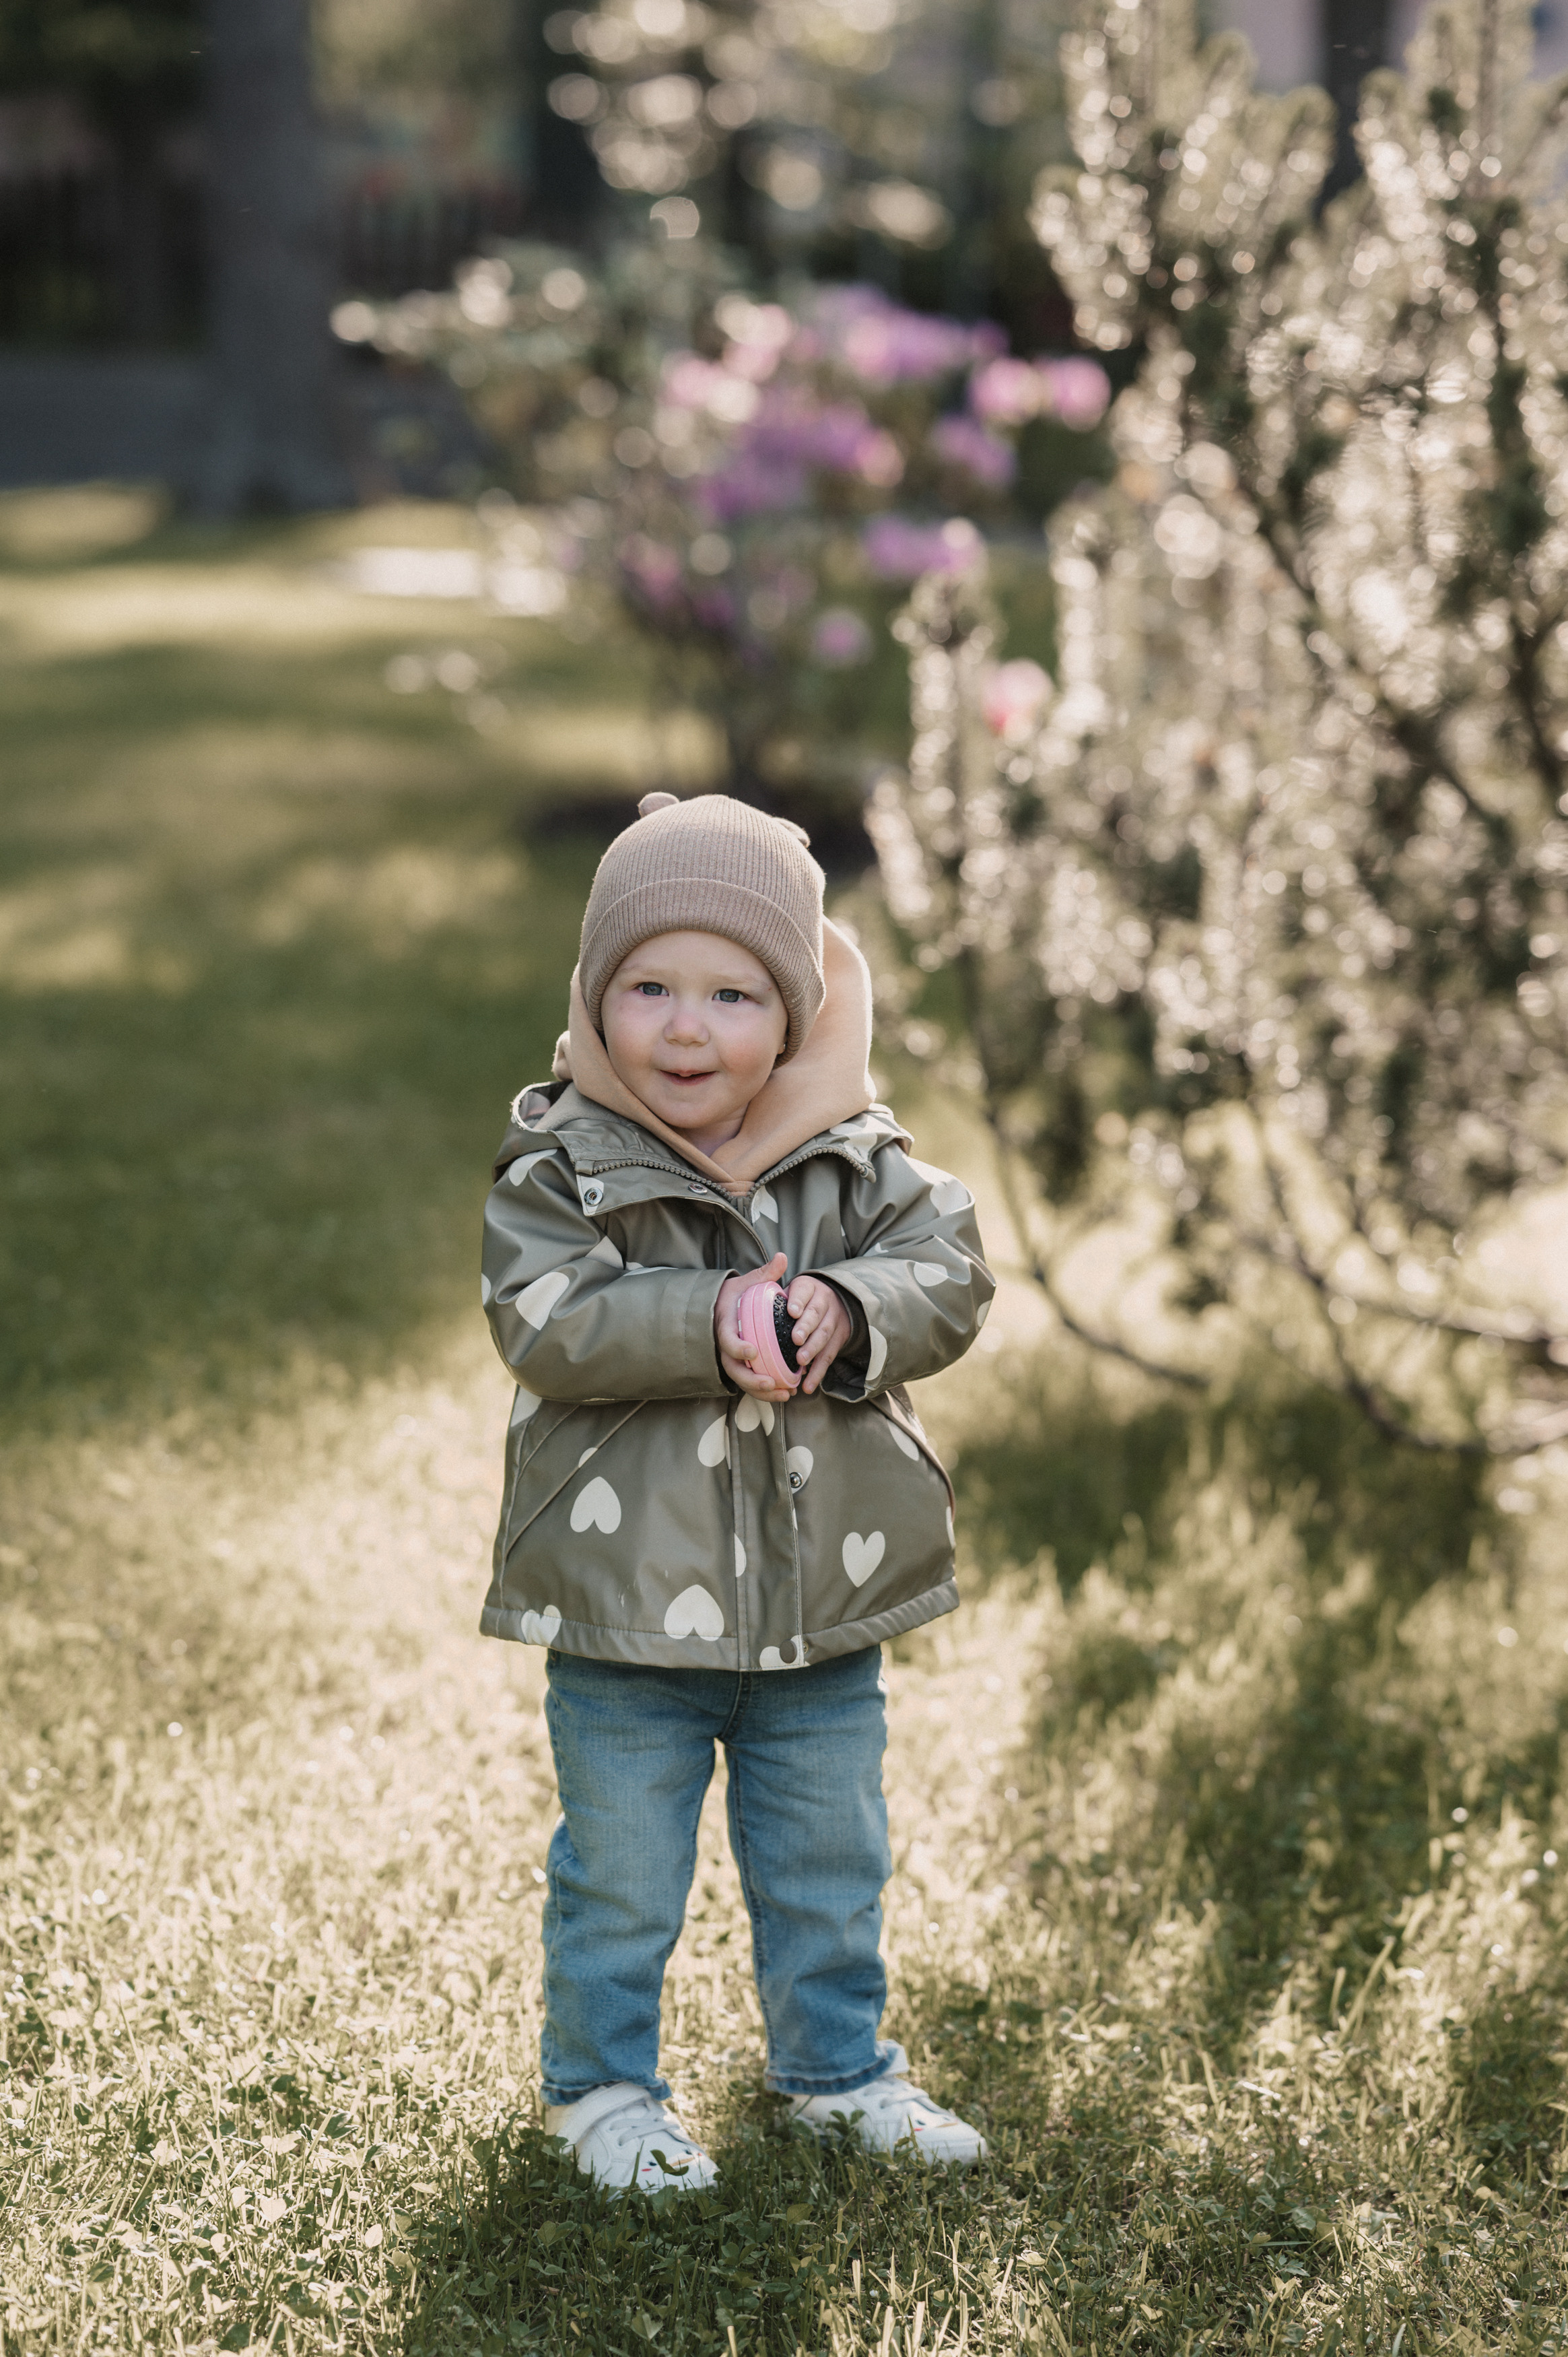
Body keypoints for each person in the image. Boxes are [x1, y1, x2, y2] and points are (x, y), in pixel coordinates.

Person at [479, 791, 996, 2193]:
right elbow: (544, 1316)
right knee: (621, 1880)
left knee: (831, 1863)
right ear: (596, 999)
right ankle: (600, 2093)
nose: (687, 1028)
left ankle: (837, 2073)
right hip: (625, 1614)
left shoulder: (855, 1158)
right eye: (647, 987)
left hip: (817, 1612)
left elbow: (949, 1266)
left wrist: (848, 1299)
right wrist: (706, 1317)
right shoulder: (566, 1164)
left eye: (731, 993)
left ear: (799, 1008)